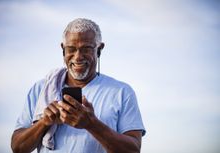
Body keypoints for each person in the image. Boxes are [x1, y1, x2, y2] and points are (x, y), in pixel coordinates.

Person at [11, 18, 146, 153]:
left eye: (86, 49)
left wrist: (91, 124)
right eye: (71, 49)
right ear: (63, 49)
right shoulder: (41, 89)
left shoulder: (121, 92)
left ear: (99, 49)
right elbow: (17, 148)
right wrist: (44, 122)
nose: (78, 57)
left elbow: (133, 150)